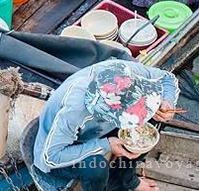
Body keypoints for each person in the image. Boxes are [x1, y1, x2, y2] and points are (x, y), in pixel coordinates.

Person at [34, 59, 180, 191]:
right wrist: (105, 145)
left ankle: (124, 179)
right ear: (107, 110)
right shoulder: (75, 111)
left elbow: (167, 78)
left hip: (98, 129)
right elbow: (50, 157)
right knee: (96, 167)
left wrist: (167, 101)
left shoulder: (122, 71)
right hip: (60, 151)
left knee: (155, 116)